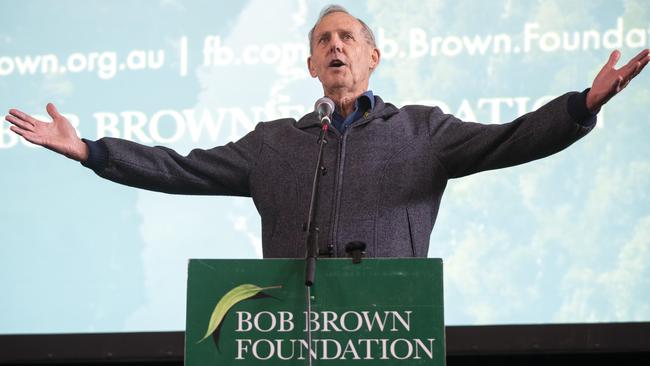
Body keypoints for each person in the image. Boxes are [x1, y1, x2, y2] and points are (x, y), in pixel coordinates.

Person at [5, 5, 649, 258]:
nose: (335, 45)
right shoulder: (273, 143)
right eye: (323, 41)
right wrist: (90, 151)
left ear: (372, 58)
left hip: (390, 330)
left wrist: (582, 105)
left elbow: (515, 138)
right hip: (289, 335)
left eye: (347, 37)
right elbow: (180, 167)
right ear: (312, 66)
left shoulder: (424, 131)